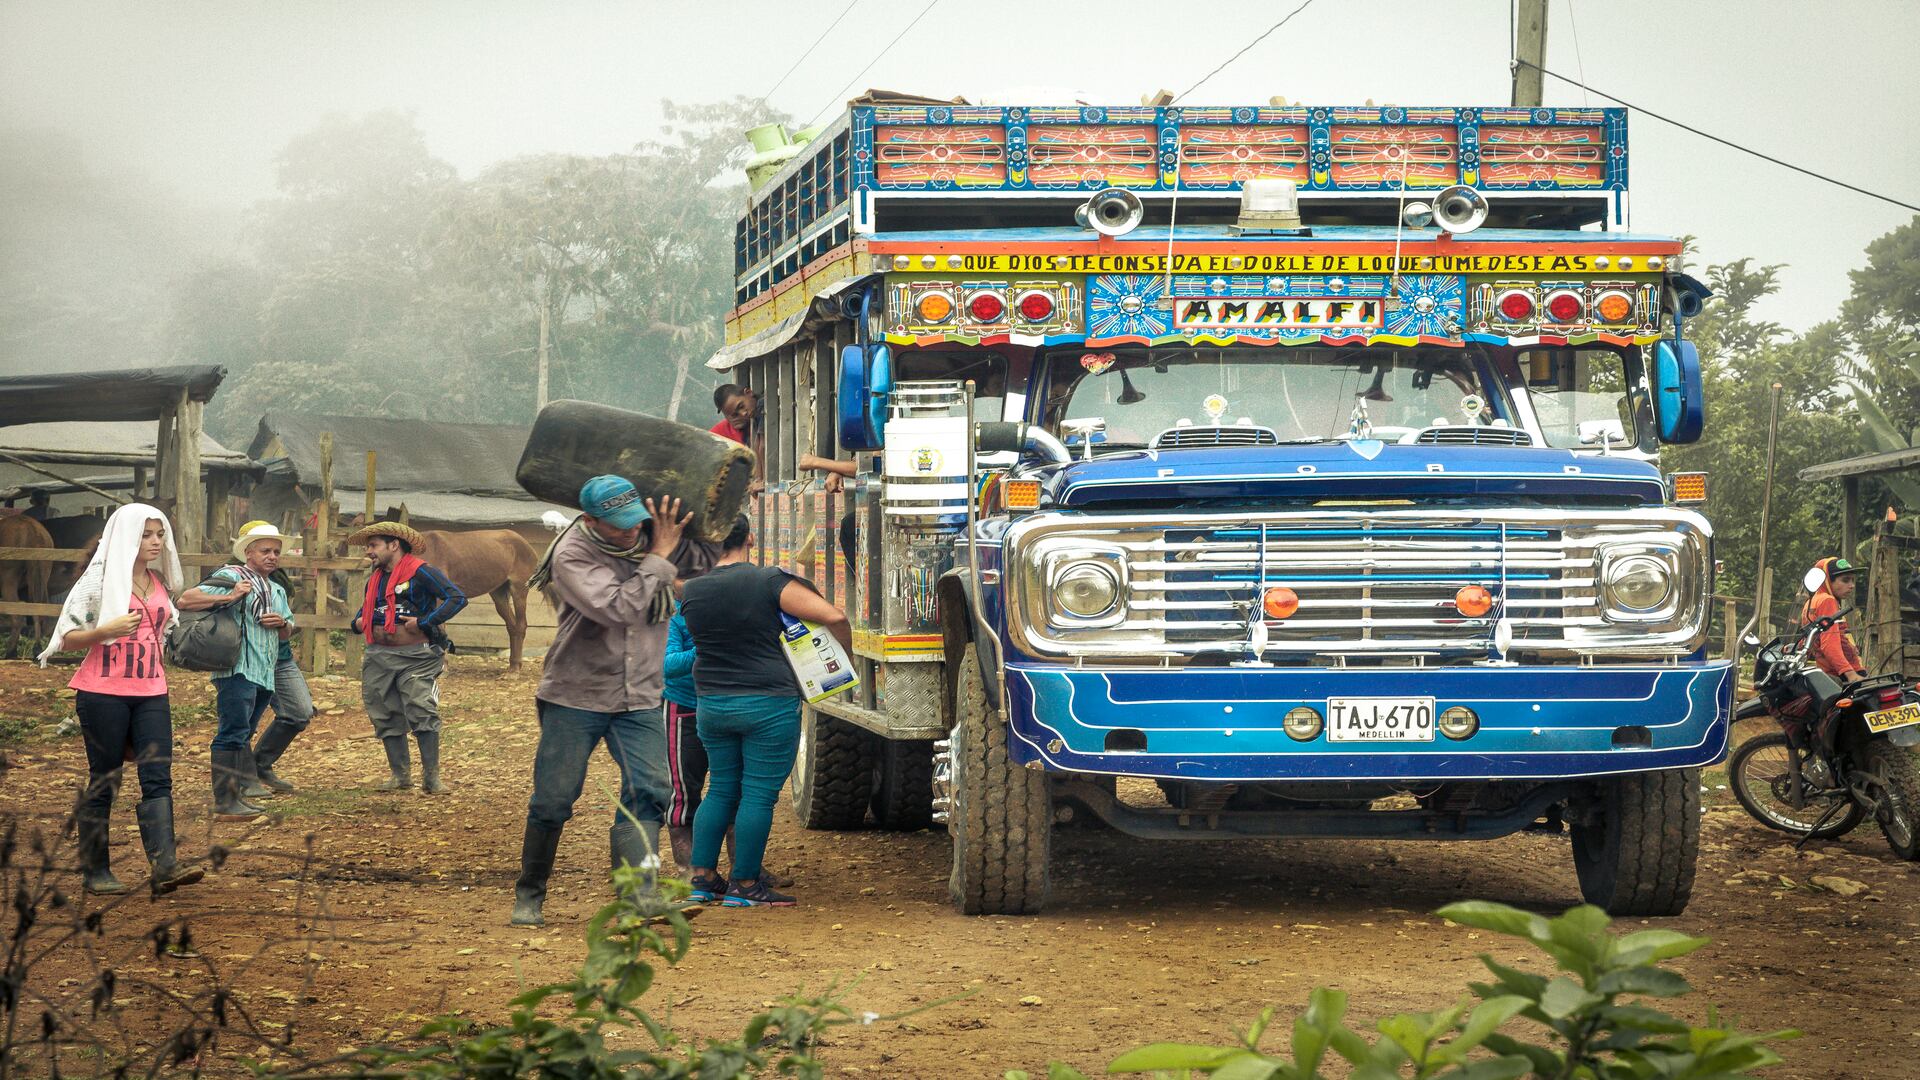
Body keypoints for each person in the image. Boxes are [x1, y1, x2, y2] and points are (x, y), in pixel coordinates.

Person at [509, 477, 720, 927]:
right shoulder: (572, 554)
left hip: (639, 694)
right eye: (619, 526)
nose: (631, 532)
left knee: (650, 791)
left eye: (636, 522)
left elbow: (705, 559)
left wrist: (702, 523)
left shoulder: (652, 537)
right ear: (590, 521)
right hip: (576, 693)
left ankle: (638, 900)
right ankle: (530, 892)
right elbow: (620, 607)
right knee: (553, 800)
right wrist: (660, 555)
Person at [679, 515, 851, 907]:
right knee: (757, 794)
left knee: (720, 788)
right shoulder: (769, 581)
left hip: (712, 703)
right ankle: (745, 885)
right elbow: (834, 616)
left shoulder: (691, 588)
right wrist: (844, 657)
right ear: (751, 539)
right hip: (768, 704)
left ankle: (703, 879)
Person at [39, 503, 204, 896]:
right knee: (106, 778)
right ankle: (95, 871)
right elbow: (66, 638)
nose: (155, 542)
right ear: (127, 537)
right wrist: (105, 630)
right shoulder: (98, 582)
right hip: (102, 693)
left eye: (159, 534)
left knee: (158, 775)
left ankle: (165, 866)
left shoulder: (158, 581)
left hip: (152, 692)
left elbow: (164, 631)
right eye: (146, 535)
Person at [178, 519, 314, 799]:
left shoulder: (276, 588)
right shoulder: (231, 575)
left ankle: (240, 790)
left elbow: (287, 631)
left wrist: (281, 624)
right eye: (265, 551)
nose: (272, 556)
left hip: (264, 668)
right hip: (238, 666)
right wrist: (230, 595)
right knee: (233, 731)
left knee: (245, 730)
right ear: (248, 552)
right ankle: (228, 797)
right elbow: (185, 600)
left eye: (276, 552)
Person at [346, 521, 467, 793]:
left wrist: (426, 621)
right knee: (384, 712)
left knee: (420, 706)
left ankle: (432, 778)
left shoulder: (421, 572)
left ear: (394, 545)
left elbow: (456, 598)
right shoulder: (375, 578)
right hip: (379, 655)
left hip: (417, 656)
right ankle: (400, 776)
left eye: (373, 545)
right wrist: (357, 622)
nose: (368, 551)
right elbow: (367, 609)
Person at [1801, 557, 1868, 683]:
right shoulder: (1828, 601)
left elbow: (1808, 641)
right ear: (1827, 580)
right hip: (1844, 673)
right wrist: (1850, 674)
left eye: (1853, 580)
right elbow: (1829, 645)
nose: (1852, 586)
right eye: (1845, 580)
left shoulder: (1810, 603)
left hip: (1827, 673)